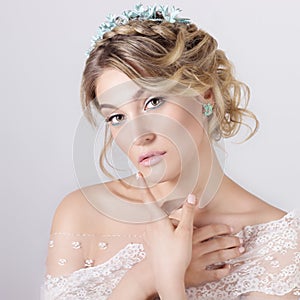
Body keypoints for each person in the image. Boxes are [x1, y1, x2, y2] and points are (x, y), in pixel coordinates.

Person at [41, 4, 300, 299]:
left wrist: (170, 281)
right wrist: (145, 276)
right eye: (117, 117)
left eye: (153, 101)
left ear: (205, 94)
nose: (138, 136)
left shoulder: (279, 244)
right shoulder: (79, 215)